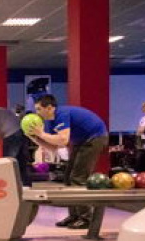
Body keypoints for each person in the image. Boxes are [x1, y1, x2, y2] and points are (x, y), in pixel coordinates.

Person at [28, 95, 109, 229]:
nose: (37, 113)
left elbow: (63, 139)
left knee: (78, 178)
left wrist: (41, 134)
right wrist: (34, 138)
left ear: (49, 108)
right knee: (67, 178)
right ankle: (75, 216)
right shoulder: (49, 121)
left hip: (95, 137)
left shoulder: (61, 114)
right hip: (81, 141)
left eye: (39, 109)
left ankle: (86, 218)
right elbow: (54, 147)